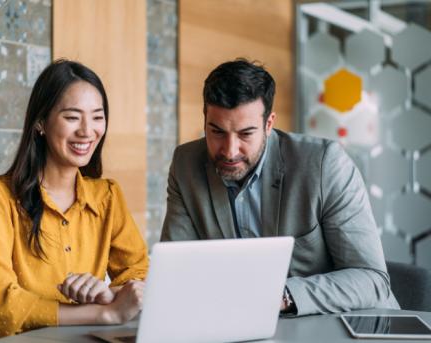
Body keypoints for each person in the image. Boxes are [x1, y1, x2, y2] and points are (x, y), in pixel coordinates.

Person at [160, 59, 399, 316]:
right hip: (244, 325)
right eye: (217, 132)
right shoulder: (186, 164)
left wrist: (281, 296)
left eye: (245, 134)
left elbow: (372, 281)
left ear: (269, 124)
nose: (229, 151)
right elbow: (177, 271)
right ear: (205, 118)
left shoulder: (323, 165)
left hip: (349, 325)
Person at [0, 59, 148, 340]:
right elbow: (0, 305)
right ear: (40, 122)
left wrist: (104, 293)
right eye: (72, 117)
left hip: (81, 336)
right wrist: (103, 312)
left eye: (97, 117)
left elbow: (140, 275)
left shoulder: (107, 196)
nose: (87, 131)